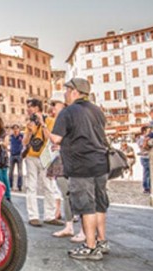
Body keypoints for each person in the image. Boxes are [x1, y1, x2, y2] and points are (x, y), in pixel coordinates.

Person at [50, 77, 110, 261]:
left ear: (74, 92)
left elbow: (56, 139)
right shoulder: (97, 110)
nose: (66, 95)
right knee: (99, 203)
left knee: (86, 206)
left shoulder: (68, 111)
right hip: (101, 162)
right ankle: (102, 241)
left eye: (67, 91)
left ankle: (90, 247)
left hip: (80, 164)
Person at [23, 99, 60, 227]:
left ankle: (50, 216)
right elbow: (25, 142)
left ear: (38, 108)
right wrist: (29, 131)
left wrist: (42, 123)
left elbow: (51, 137)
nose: (28, 110)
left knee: (49, 186)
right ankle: (33, 216)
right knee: (31, 186)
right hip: (31, 157)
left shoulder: (50, 120)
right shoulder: (29, 123)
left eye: (30, 107)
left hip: (46, 156)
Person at [8, 124, 24, 191]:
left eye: (17, 128)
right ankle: (10, 185)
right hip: (12, 154)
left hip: (19, 155)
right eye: (14, 129)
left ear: (19, 129)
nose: (15, 130)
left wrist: (22, 151)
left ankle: (19, 186)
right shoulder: (11, 137)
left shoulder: (21, 136)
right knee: (10, 171)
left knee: (20, 171)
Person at [136, 126, 151, 193]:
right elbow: (143, 147)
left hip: (146, 157)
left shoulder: (140, 138)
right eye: (148, 131)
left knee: (148, 173)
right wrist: (146, 140)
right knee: (147, 173)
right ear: (144, 131)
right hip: (145, 157)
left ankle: (148, 187)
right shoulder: (142, 138)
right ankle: (147, 187)